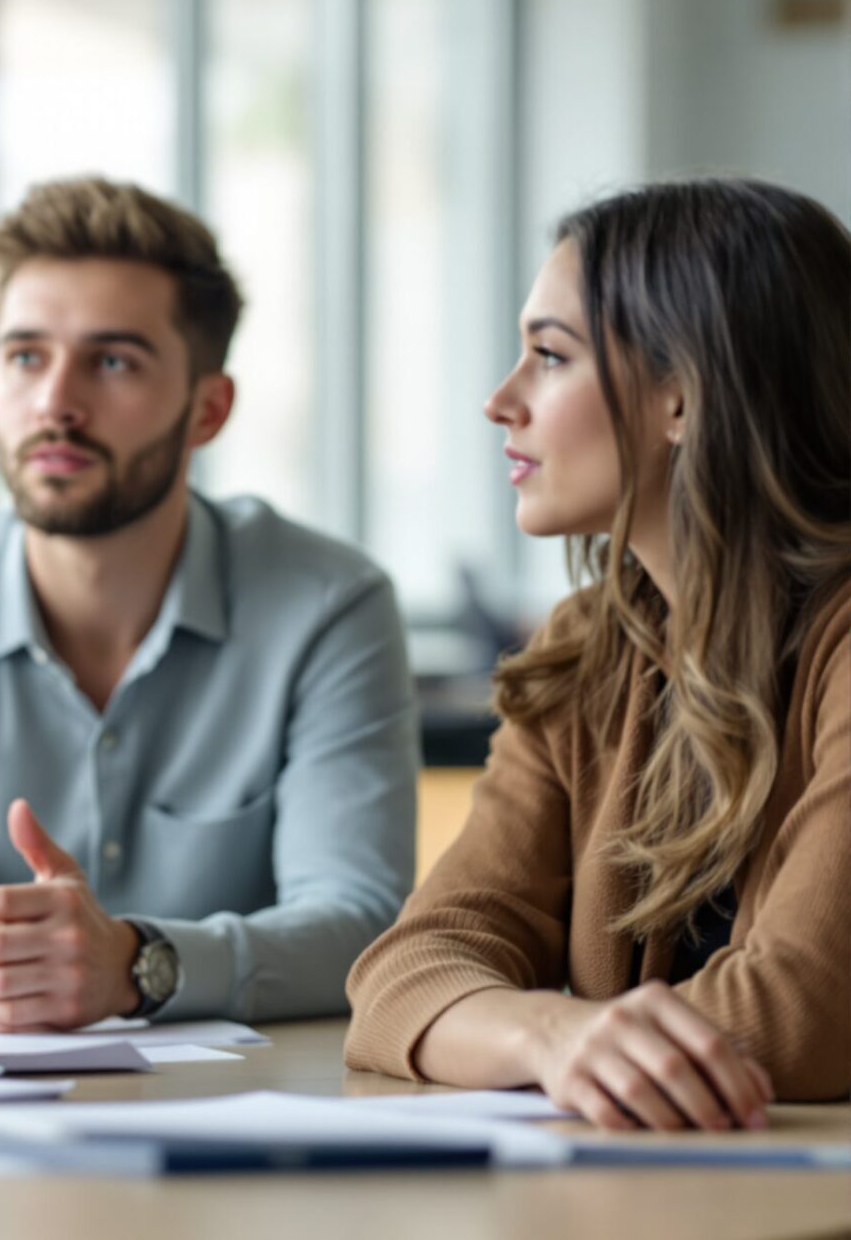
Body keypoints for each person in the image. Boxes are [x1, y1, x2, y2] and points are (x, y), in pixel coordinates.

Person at [0, 176, 418, 1029]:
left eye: (113, 361)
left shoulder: (329, 609)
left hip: (246, 1098)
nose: (56, 402)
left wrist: (134, 966)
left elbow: (358, 917)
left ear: (208, 409)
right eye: (26, 357)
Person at [345, 178, 851, 1128]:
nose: (500, 401)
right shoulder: (589, 645)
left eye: (550, 356)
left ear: (683, 394)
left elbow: (798, 1019)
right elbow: (403, 974)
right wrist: (548, 1033)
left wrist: (529, 1033)